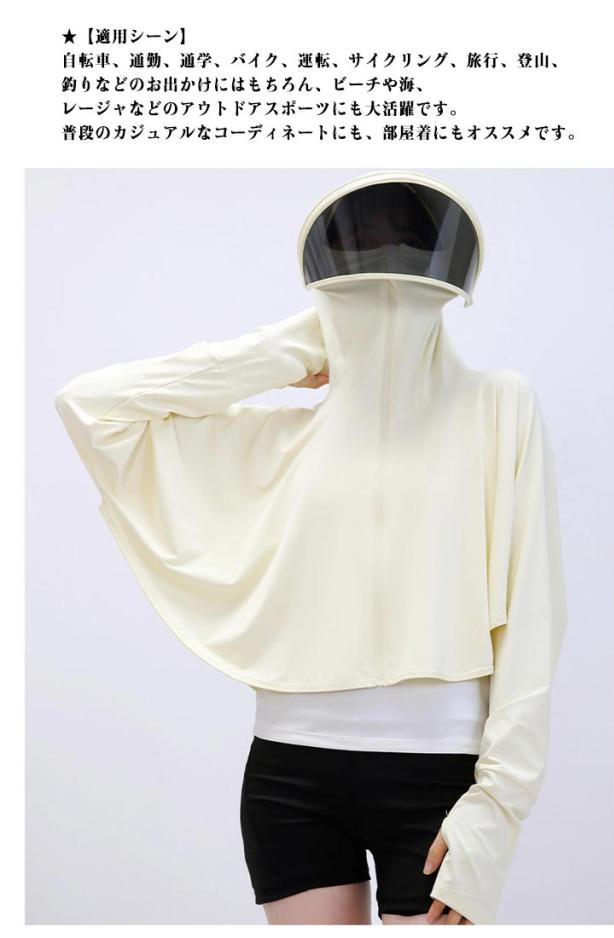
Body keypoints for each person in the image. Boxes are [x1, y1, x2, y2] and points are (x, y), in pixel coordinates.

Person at [54, 170, 568, 925]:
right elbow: (90, 407)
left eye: (405, 240)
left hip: (439, 780)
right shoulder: (281, 437)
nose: (384, 263)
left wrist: (499, 803)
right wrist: (288, 351)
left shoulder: (500, 406)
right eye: (363, 245)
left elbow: (533, 614)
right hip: (288, 773)